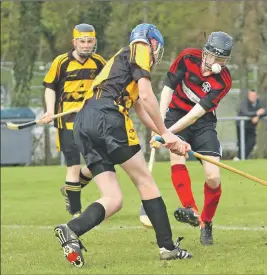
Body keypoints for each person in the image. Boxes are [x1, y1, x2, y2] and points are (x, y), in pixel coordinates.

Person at [53, 23, 192, 268]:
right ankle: (168, 247)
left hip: (84, 123)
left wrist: (163, 136)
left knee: (114, 198)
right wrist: (167, 133)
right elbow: (148, 96)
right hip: (108, 117)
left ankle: (71, 230)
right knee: (145, 181)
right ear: (153, 43)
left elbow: (140, 108)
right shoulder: (139, 47)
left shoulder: (121, 65)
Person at [142, 31, 233, 246]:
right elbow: (166, 90)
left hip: (202, 123)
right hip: (174, 114)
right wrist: (160, 126)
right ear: (205, 52)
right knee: (177, 159)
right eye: (213, 56)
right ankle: (190, 209)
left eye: (221, 59)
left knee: (213, 178)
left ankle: (206, 222)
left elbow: (196, 114)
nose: (215, 63)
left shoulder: (224, 82)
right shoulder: (186, 58)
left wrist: (166, 133)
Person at [40, 24, 107, 218]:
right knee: (73, 166)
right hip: (66, 121)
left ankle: (71, 189)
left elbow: (106, 87)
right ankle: (76, 215)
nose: (86, 45)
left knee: (101, 161)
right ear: (74, 42)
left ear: (94, 41)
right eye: (82, 41)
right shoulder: (61, 62)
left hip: (91, 121)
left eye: (89, 41)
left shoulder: (99, 63)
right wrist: (49, 111)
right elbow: (50, 87)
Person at [234, 89, 267, 160]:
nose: (253, 97)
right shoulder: (244, 102)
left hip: (251, 127)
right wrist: (256, 113)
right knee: (242, 143)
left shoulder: (259, 102)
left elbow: (265, 111)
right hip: (242, 126)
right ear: (248, 96)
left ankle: (241, 158)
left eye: (254, 95)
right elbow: (245, 112)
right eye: (251, 96)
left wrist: (257, 116)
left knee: (252, 142)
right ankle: (240, 158)